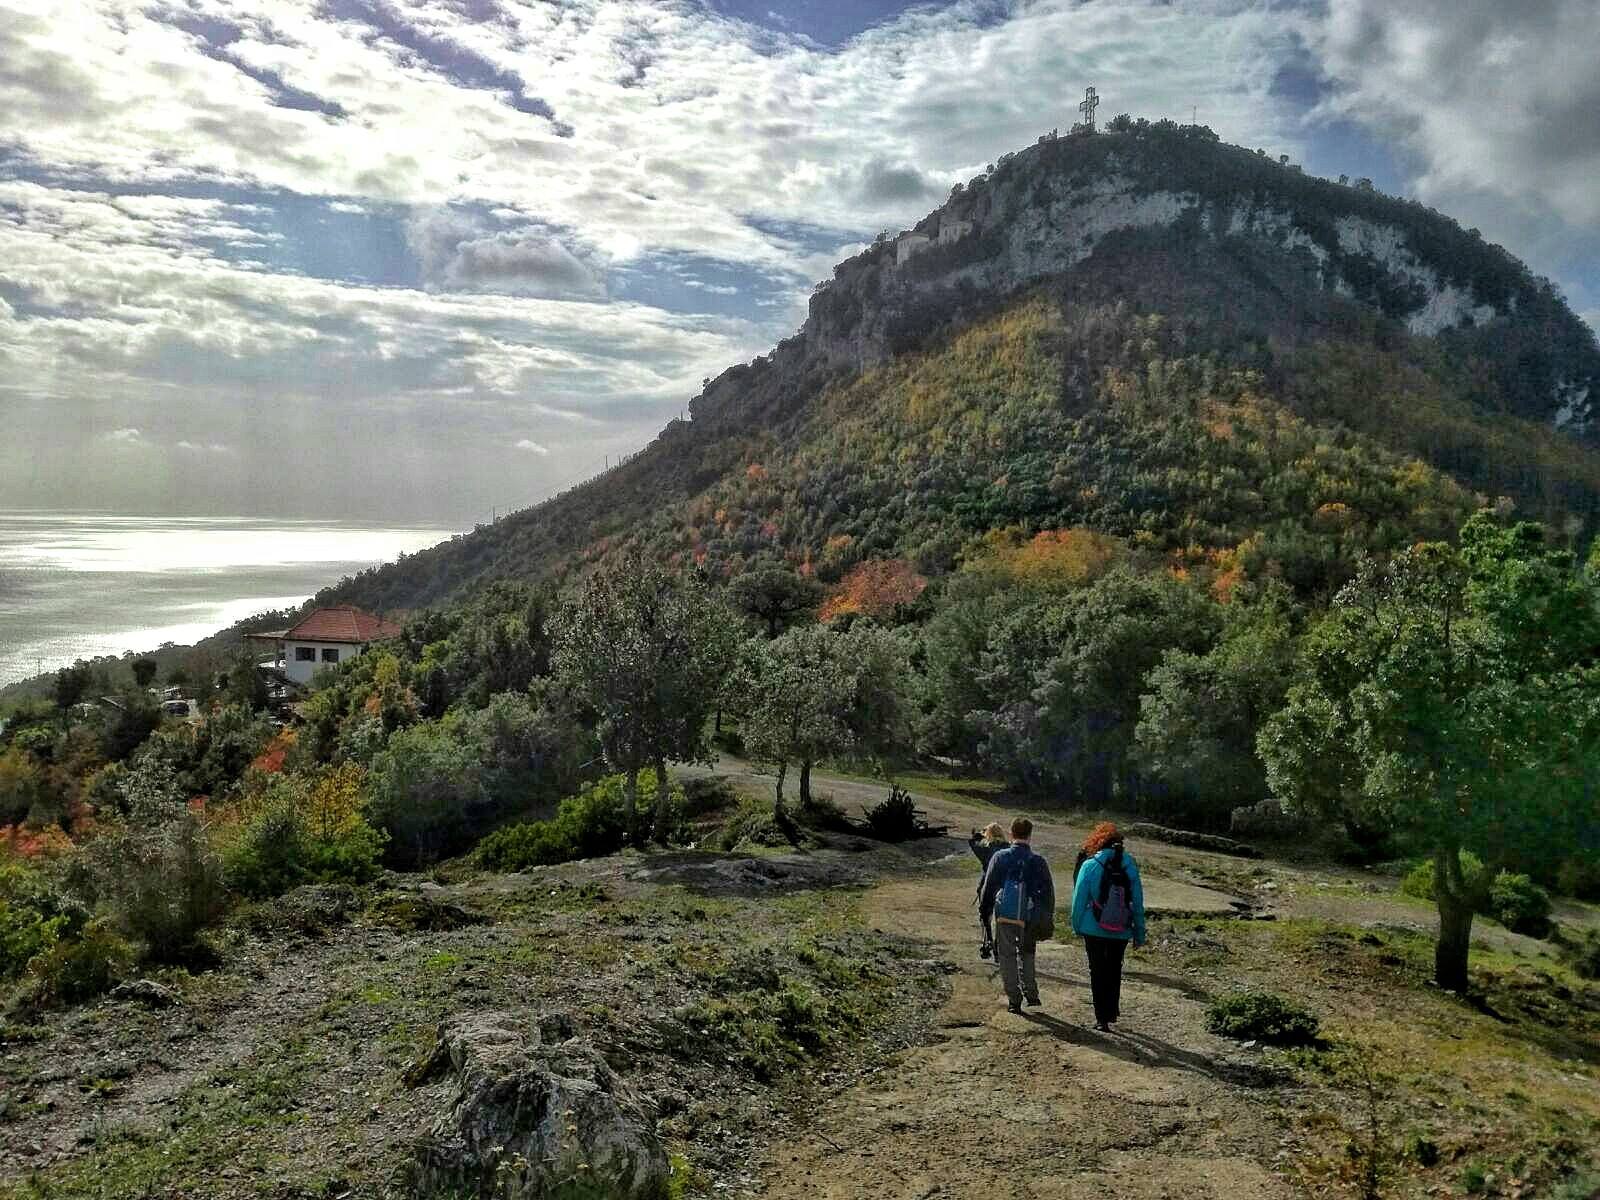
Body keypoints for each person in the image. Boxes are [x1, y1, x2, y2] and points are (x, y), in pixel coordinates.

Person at [1070, 822, 1146, 1032]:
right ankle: (1111, 1011)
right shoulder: (1130, 865)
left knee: (1097, 970)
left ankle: (1101, 1018)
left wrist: (1076, 926)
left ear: (1098, 841)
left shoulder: (1090, 864)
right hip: (1121, 928)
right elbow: (1137, 902)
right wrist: (1139, 933)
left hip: (1093, 927)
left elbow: (1078, 901)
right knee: (1114, 968)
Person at [978, 816, 1055, 1014]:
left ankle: (1014, 1000)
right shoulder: (1038, 861)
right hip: (1029, 915)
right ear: (1030, 835)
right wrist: (1047, 916)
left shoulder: (1000, 857)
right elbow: (1048, 893)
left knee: (1006, 955)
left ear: (1011, 834)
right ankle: (1032, 993)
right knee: (1028, 953)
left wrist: (984, 911)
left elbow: (988, 888)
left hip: (1005, 913)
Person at [968, 821, 1008, 959]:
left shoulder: (985, 848)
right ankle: (997, 944)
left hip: (987, 884)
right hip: (1004, 886)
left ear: (988, 834)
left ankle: (988, 940)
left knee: (985, 914)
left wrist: (978, 834)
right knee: (1000, 918)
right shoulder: (1007, 848)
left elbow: (973, 843)